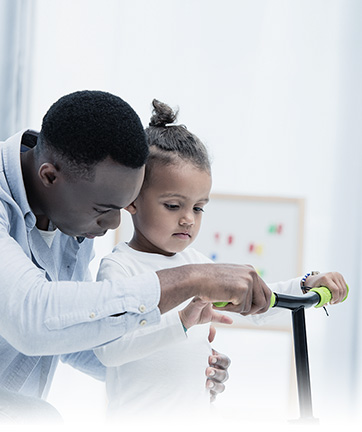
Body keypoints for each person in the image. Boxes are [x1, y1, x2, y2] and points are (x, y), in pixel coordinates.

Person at [0, 90, 287, 423]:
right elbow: (32, 319)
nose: (113, 223)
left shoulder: (70, 206)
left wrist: (173, 369)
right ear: (49, 176)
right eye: (104, 210)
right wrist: (190, 278)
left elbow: (71, 333)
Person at [94, 99, 348, 420]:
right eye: (173, 206)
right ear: (131, 199)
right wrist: (183, 322)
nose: (188, 219)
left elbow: (257, 301)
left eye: (198, 208)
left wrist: (306, 283)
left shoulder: (198, 263)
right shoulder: (120, 268)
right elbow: (108, 350)